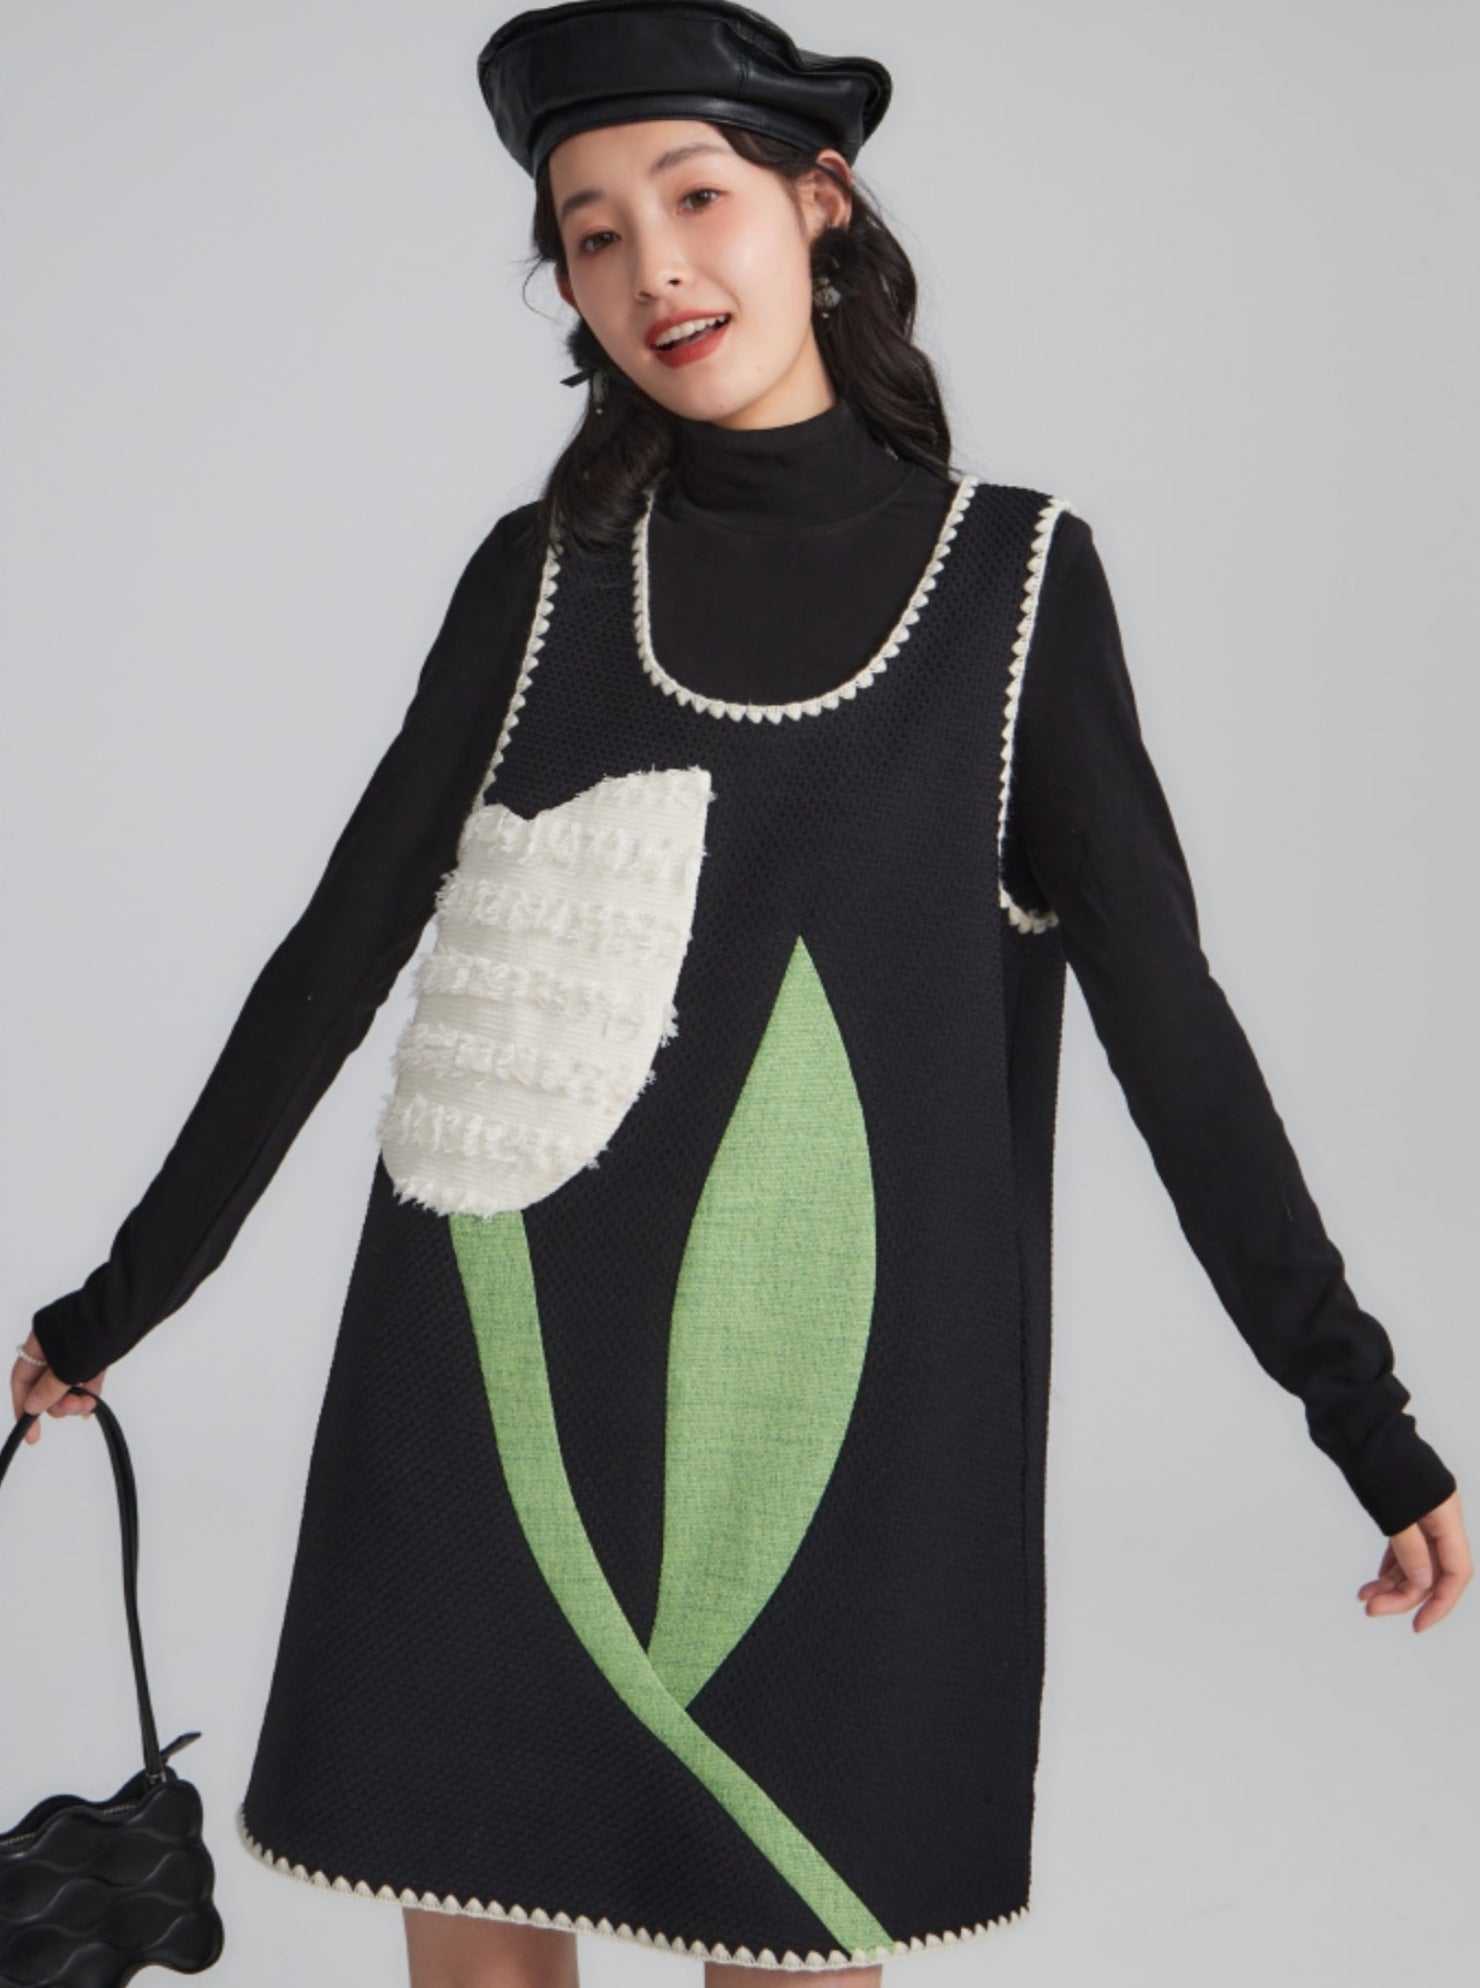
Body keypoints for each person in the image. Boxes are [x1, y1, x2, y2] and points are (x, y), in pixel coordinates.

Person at [13, 3, 1469, 1983]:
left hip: (847, 1431)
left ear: (820, 201)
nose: (654, 269)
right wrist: (123, 1300)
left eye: (695, 197)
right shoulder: (541, 579)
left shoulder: (1013, 590)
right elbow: (336, 955)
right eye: (592, 233)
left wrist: (1360, 1417)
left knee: (796, 1911)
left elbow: (1174, 1035)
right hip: (491, 1398)